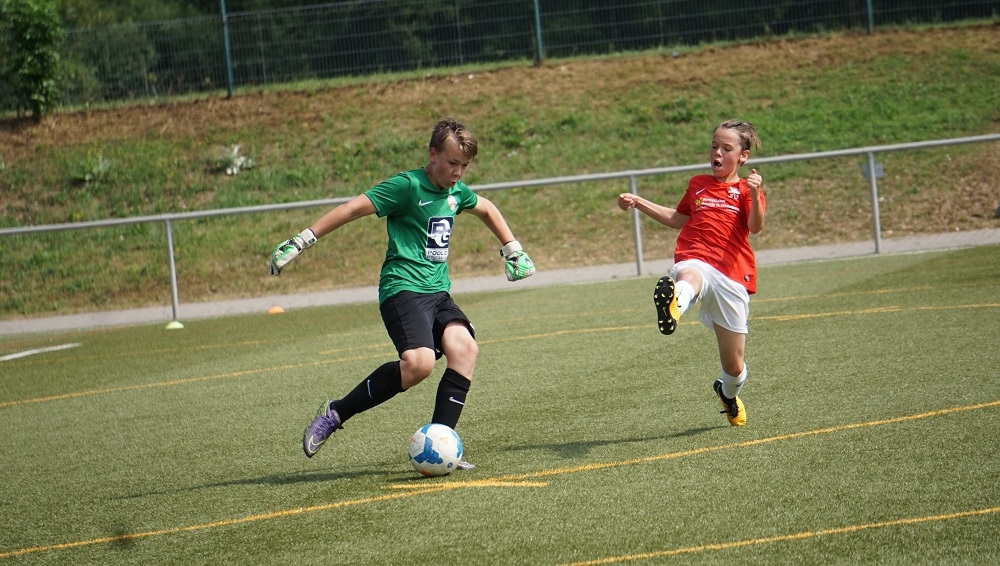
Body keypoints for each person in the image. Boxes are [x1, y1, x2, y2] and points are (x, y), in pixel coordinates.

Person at [269, 118, 535, 467]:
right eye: (452, 163)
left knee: (465, 349)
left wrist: (512, 249)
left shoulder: (456, 192)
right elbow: (352, 209)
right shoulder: (407, 186)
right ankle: (335, 413)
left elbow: (486, 207)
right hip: (402, 289)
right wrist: (303, 240)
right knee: (419, 364)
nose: (458, 173)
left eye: (464, 166)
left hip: (438, 293)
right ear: (433, 154)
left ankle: (441, 445)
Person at [617, 119, 765, 427]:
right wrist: (638, 201)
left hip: (731, 274)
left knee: (734, 367)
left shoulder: (745, 189)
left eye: (726, 148)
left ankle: (728, 394)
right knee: (690, 276)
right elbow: (678, 218)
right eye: (714, 146)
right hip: (696, 257)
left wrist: (754, 193)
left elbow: (755, 226)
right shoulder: (698, 183)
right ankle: (674, 306)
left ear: (743, 156)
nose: (717, 153)